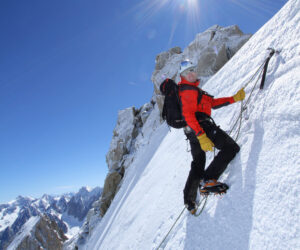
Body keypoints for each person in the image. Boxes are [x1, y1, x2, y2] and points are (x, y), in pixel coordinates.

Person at [178, 60, 245, 214]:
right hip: (202, 128)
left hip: (192, 132)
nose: (192, 73)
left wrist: (233, 98)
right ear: (182, 76)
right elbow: (188, 115)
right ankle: (208, 180)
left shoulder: (194, 91)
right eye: (188, 72)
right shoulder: (188, 91)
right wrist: (202, 135)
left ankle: (189, 201)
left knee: (198, 162)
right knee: (230, 147)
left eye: (193, 69)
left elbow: (213, 103)